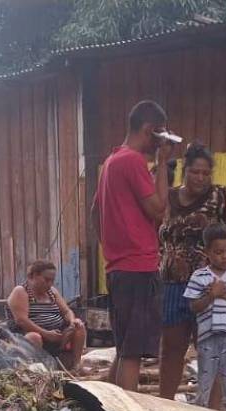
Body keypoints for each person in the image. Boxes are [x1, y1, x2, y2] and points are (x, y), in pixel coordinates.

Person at [158, 143, 226, 399]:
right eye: (195, 172)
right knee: (172, 349)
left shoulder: (223, 198)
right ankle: (166, 407)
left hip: (211, 287)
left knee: (210, 348)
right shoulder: (170, 198)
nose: (200, 178)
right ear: (185, 171)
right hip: (174, 285)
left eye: (206, 173)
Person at [93, 99, 173, 390]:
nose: (160, 143)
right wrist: (162, 164)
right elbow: (159, 209)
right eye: (160, 135)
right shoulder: (133, 161)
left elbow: (94, 214)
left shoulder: (111, 163)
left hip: (118, 268)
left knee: (125, 347)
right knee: (132, 354)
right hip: (138, 268)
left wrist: (113, 246)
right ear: (149, 130)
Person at [184, 223, 226, 411]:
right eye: (218, 252)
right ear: (207, 252)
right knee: (205, 379)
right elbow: (194, 306)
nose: (224, 256)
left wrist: (223, 294)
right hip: (207, 337)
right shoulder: (199, 276)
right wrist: (211, 296)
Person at [6, 260, 87, 369]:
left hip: (57, 336)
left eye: (52, 280)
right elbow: (22, 320)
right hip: (32, 337)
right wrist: (46, 334)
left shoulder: (52, 292)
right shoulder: (21, 291)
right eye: (46, 280)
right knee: (34, 337)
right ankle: (36, 369)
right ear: (34, 276)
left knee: (79, 327)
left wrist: (72, 321)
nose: (49, 284)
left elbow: (67, 311)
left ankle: (76, 364)